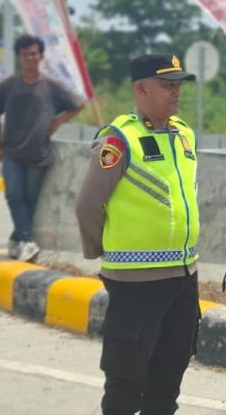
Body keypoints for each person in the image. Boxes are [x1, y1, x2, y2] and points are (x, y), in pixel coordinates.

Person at [75, 53, 200, 415]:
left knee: (169, 377)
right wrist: (105, 251)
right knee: (125, 381)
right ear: (141, 89)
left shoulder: (184, 135)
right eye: (167, 85)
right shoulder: (119, 140)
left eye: (178, 85)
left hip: (183, 275)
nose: (175, 92)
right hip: (135, 280)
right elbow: (88, 205)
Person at [0, 35, 84, 261]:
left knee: (30, 199)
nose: (30, 58)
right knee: (14, 195)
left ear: (41, 56)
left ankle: (18, 238)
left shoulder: (51, 86)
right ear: (19, 57)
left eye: (34, 53)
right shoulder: (8, 85)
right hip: (12, 152)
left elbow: (78, 104)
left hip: (38, 153)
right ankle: (26, 239)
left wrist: (58, 122)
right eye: (25, 54)